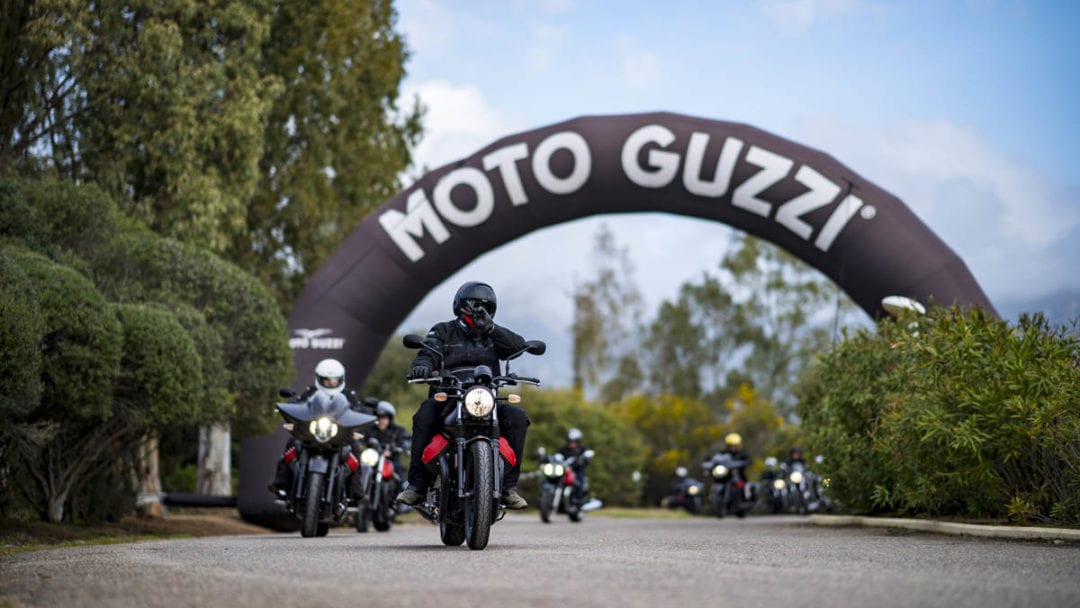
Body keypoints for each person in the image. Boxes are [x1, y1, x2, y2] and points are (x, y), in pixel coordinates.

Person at [395, 281, 533, 510]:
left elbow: (517, 348)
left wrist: (492, 328)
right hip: (449, 397)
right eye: (476, 305)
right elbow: (426, 353)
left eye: (487, 307)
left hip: (486, 399)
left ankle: (508, 488)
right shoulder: (442, 330)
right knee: (424, 415)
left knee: (518, 417)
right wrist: (422, 366)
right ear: (460, 305)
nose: (481, 311)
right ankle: (416, 486)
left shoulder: (493, 334)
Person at [269, 358, 369, 499]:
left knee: (356, 448)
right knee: (292, 442)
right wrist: (290, 404)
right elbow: (299, 404)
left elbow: (357, 408)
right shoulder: (312, 391)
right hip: (312, 433)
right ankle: (281, 482)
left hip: (338, 435)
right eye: (327, 380)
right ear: (319, 379)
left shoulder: (348, 395)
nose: (331, 383)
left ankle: (355, 489)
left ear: (341, 379)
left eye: (334, 380)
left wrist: (363, 412)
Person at [366, 400, 411, 486]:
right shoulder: (371, 429)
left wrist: (393, 451)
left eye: (383, 418)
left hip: (392, 461)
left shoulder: (398, 430)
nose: (380, 421)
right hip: (373, 461)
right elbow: (363, 439)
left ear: (389, 418)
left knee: (400, 481)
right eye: (378, 418)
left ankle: (398, 497)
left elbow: (403, 442)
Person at [556, 428, 591, 500]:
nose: (572, 443)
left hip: (576, 471)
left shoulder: (582, 450)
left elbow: (587, 458)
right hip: (563, 471)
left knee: (580, 481)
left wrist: (582, 461)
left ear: (578, 441)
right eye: (570, 441)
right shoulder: (563, 449)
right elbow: (556, 456)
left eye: (574, 441)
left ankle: (579, 501)